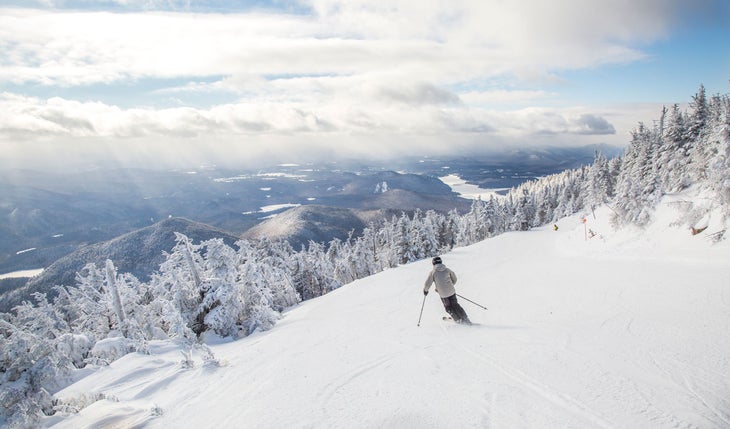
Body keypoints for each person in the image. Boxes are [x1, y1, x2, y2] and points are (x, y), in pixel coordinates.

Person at [423, 256, 471, 325]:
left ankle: (457, 319)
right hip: (451, 291)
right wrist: (450, 286)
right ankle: (465, 318)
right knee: (455, 305)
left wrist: (425, 291)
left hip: (443, 294)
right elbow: (455, 279)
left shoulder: (433, 272)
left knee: (448, 307)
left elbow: (427, 284)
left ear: (433, 264)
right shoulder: (447, 270)